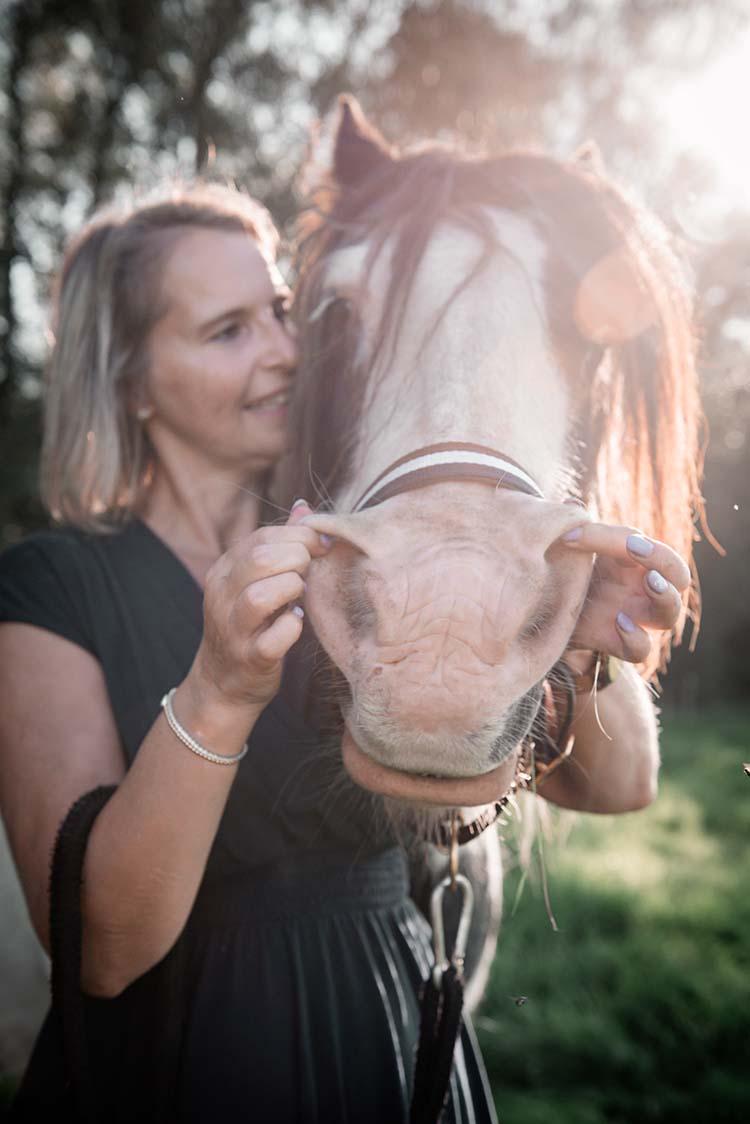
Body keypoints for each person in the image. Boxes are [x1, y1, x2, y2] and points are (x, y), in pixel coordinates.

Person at [0, 182, 689, 1122]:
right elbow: (102, 950)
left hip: (391, 1034)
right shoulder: (49, 586)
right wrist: (221, 688)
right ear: (131, 378)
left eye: (283, 311)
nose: (288, 351)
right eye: (227, 331)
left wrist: (566, 636)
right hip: (175, 1065)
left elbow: (621, 787)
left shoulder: (366, 557)